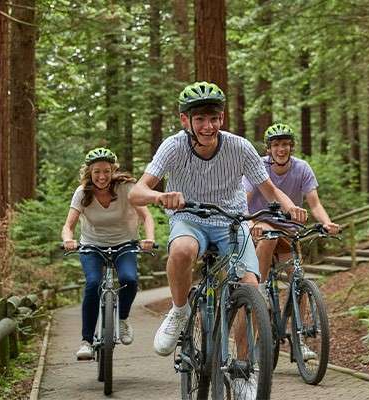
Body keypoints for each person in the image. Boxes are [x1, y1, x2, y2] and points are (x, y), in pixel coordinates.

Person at [128, 82, 306, 396]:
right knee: (183, 249)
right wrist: (160, 196)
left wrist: (289, 205)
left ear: (221, 118)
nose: (207, 126)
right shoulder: (173, 146)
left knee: (252, 289)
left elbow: (267, 188)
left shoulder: (240, 147)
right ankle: (180, 310)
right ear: (186, 121)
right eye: (199, 119)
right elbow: (136, 192)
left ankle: (241, 369)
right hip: (190, 218)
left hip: (232, 222)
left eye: (213, 118)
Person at [244, 123, 340, 361]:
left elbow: (314, 204)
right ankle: (263, 288)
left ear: (291, 147)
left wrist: (327, 223)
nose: (281, 149)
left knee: (298, 280)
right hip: (260, 222)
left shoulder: (302, 168)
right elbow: (244, 199)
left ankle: (299, 342)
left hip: (289, 228)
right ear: (268, 149)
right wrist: (246, 223)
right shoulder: (258, 167)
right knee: (268, 236)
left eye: (285, 144)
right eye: (276, 145)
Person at [61, 147, 156, 360]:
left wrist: (148, 238)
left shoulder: (126, 188)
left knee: (129, 280)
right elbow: (68, 225)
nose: (102, 176)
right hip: (92, 245)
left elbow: (147, 217)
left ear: (113, 170)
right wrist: (68, 240)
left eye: (106, 171)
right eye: (96, 172)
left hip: (124, 243)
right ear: (89, 173)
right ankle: (86, 340)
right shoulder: (82, 193)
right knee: (93, 284)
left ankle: (121, 320)